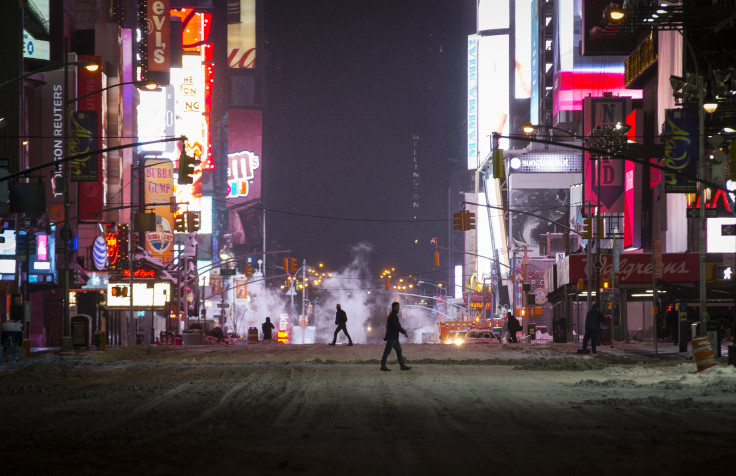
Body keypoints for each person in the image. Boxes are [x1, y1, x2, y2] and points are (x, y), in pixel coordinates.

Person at [380, 302, 411, 371]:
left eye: (398, 306)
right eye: (397, 307)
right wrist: (404, 332)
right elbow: (397, 326)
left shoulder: (392, 315)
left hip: (394, 337)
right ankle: (383, 366)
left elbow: (388, 326)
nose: (398, 308)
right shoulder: (393, 316)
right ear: (393, 307)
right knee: (387, 351)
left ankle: (402, 365)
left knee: (399, 350)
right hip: (392, 337)